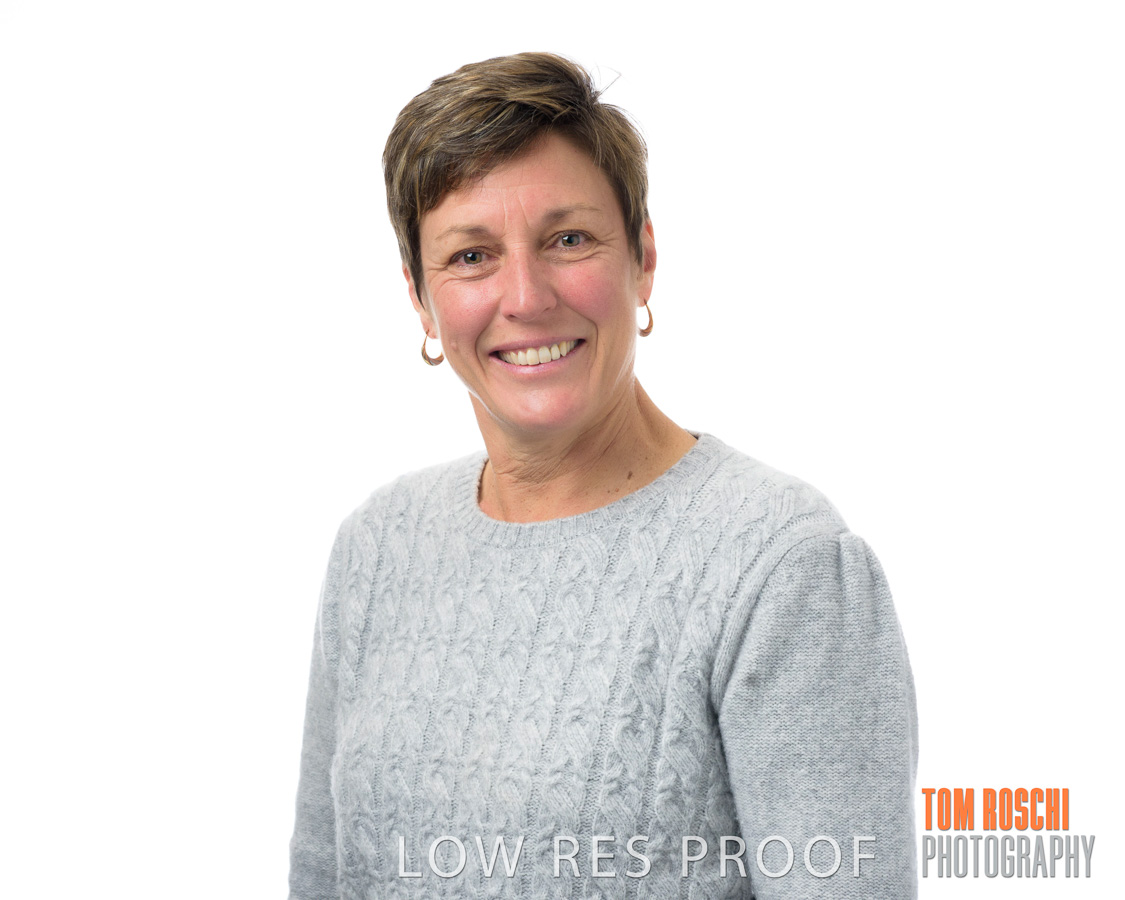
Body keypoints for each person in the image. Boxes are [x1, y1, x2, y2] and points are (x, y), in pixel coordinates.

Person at [289, 52, 917, 899]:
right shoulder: (377, 547)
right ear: (419, 298)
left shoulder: (782, 566)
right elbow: (323, 876)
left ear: (642, 257)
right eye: (470, 255)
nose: (525, 297)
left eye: (568, 239)